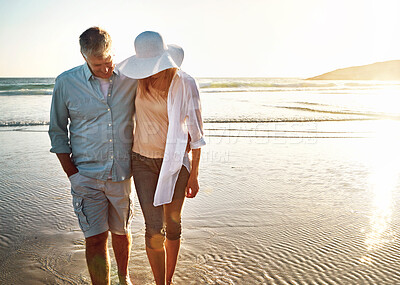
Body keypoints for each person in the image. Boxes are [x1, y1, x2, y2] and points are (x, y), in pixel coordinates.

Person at [48, 27, 137, 285]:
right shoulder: (66, 82)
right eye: (98, 65)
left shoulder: (130, 78)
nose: (105, 69)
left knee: (122, 232)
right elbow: (57, 130)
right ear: (84, 57)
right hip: (85, 176)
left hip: (121, 173)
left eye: (108, 61)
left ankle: (124, 277)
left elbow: (158, 98)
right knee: (96, 238)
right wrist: (72, 175)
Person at [117, 31, 206, 285]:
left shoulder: (185, 83)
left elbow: (197, 135)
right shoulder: (134, 81)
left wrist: (195, 175)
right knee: (153, 229)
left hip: (176, 163)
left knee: (173, 226)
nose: (151, 71)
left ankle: (167, 280)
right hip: (142, 161)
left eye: (154, 65)